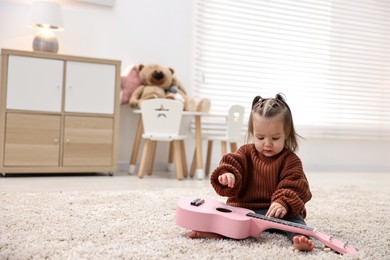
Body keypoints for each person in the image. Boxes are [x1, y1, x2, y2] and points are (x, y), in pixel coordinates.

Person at [188, 94, 314, 252]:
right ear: (252, 132)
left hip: (276, 212)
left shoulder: (290, 160)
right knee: (226, 219)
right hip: (245, 210)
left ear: (287, 134)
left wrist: (282, 202)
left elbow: (296, 185)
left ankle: (299, 238)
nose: (267, 144)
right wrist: (228, 175)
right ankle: (211, 232)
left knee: (296, 222)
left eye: (275, 138)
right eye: (260, 137)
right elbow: (231, 163)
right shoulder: (245, 153)